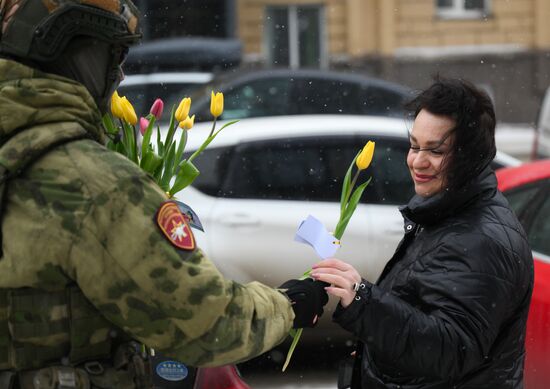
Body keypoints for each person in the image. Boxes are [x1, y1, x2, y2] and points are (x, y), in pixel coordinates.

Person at [0, 1, 328, 387]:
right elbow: (208, 323)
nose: (119, 74)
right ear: (78, 53)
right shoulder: (97, 186)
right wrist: (289, 305)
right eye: (114, 56)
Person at [311, 77, 534, 388]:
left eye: (436, 151)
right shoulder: (444, 215)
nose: (417, 161)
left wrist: (363, 300)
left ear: (469, 157)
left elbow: (450, 350)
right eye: (414, 145)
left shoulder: (480, 240)